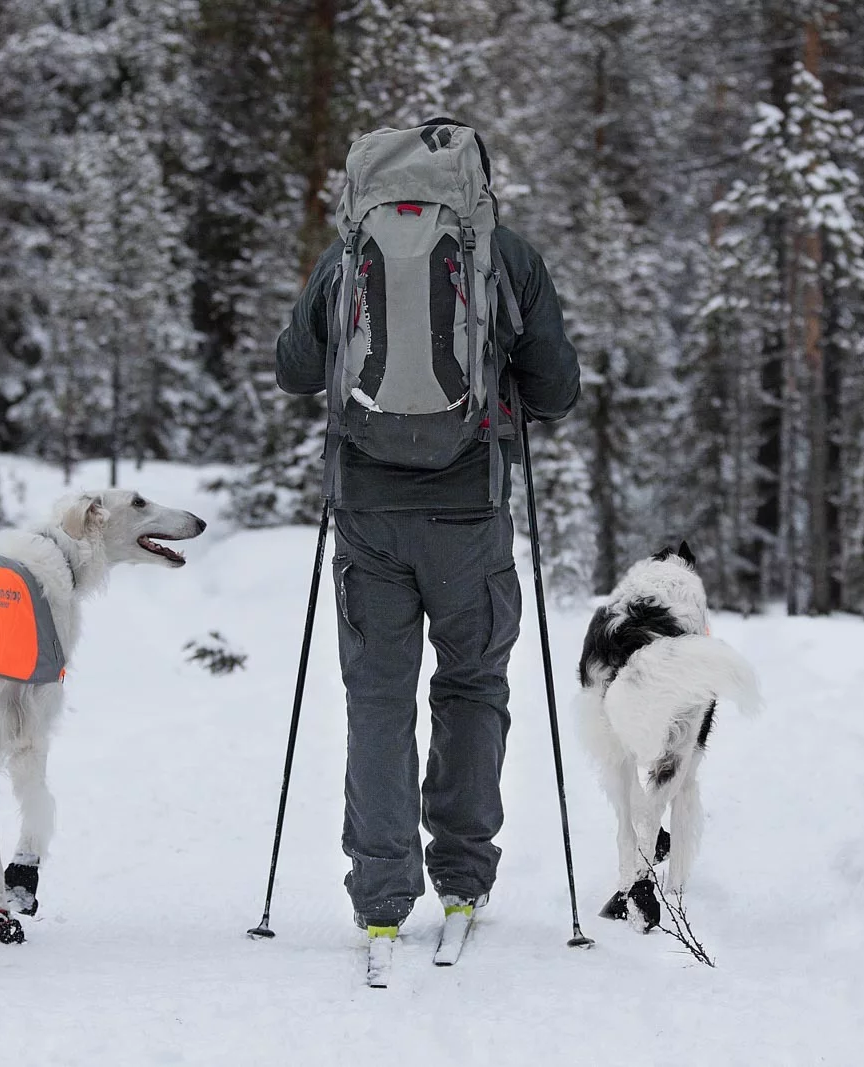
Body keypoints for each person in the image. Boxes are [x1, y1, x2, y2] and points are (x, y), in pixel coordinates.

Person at [274, 117, 581, 938]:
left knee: (376, 699)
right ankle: (462, 876)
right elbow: (556, 392)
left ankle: (379, 895)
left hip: (368, 515)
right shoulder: (503, 254)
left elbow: (295, 370)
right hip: (469, 514)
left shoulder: (347, 255)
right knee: (472, 686)